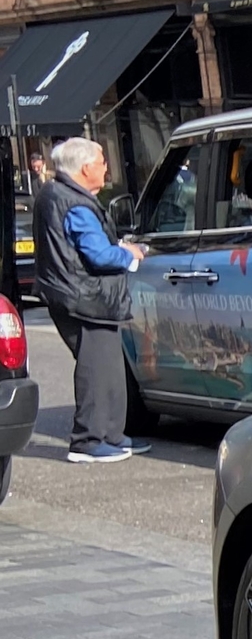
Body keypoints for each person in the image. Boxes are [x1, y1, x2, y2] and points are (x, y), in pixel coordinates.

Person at [33, 136, 148, 463]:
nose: (105, 167)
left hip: (79, 294)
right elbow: (97, 254)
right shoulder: (76, 203)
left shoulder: (57, 194)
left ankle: (111, 435)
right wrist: (129, 254)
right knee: (96, 369)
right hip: (85, 296)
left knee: (109, 368)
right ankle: (88, 440)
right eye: (101, 162)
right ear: (85, 168)